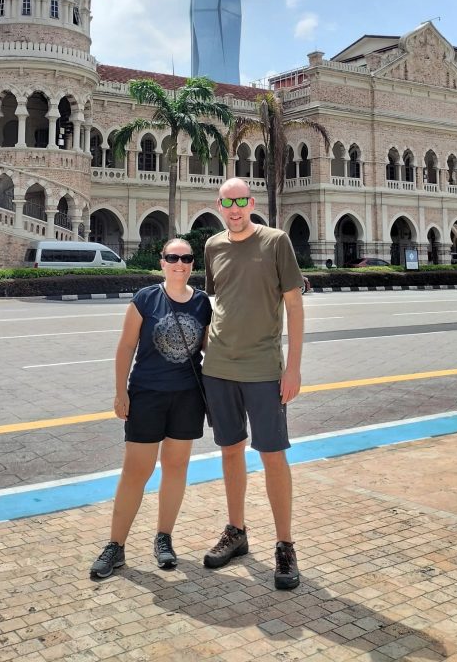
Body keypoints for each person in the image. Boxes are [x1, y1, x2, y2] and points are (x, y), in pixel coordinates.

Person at [202, 178, 305, 590]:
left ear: (252, 202)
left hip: (264, 369)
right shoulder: (213, 247)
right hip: (219, 366)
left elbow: (294, 307)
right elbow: (218, 303)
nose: (235, 209)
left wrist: (293, 367)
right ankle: (236, 531)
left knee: (273, 456)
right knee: (230, 451)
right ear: (219, 205)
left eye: (241, 201)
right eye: (228, 202)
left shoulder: (276, 241)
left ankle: (285, 545)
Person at [89, 238, 211, 579]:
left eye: (186, 258)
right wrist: (120, 393)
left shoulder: (202, 303)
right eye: (173, 257)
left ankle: (164, 538)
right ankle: (115, 546)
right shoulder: (146, 298)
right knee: (136, 471)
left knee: (175, 468)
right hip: (147, 394)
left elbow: (210, 349)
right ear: (162, 262)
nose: (180, 263)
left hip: (187, 397)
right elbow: (126, 346)